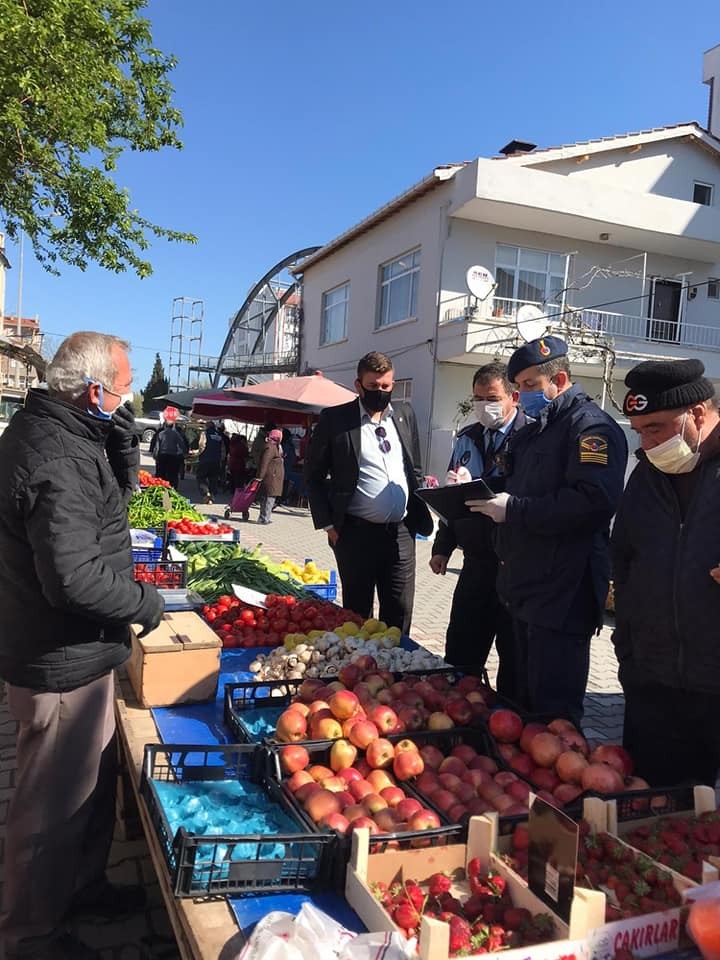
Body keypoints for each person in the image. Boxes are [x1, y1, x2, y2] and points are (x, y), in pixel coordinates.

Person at [0, 332, 165, 960]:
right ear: (93, 390)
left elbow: (108, 517)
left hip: (80, 651)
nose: (126, 399)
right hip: (59, 655)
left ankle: (84, 888)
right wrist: (145, 606)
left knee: (90, 785)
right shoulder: (54, 453)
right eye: (121, 389)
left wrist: (123, 451)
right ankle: (31, 936)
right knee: (50, 805)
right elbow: (71, 577)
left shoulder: (71, 436)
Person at [468, 336, 627, 724]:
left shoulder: (590, 429)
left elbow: (592, 503)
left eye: (529, 386)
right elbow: (516, 485)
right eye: (519, 387)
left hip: (563, 594)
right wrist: (477, 490)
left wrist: (515, 510)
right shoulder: (539, 428)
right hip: (525, 586)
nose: (522, 395)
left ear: (558, 378)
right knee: (517, 701)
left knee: (551, 710)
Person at [611, 359, 720, 787]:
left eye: (655, 427)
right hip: (651, 681)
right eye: (639, 431)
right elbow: (623, 557)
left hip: (714, 683)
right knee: (650, 807)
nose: (648, 442)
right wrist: (628, 651)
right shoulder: (647, 474)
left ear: (697, 413)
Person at [304, 350, 433, 635]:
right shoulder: (336, 420)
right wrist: (328, 524)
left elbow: (415, 468)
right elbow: (313, 476)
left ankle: (397, 671)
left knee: (399, 609)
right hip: (354, 533)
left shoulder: (404, 415)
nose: (380, 392)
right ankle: (360, 670)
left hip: (400, 531)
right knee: (358, 613)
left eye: (386, 386)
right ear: (358, 385)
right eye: (373, 386)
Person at [429, 362, 530, 695]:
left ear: (514, 396)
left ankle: (509, 724)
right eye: (477, 398)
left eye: (492, 397)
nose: (484, 405)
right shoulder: (467, 438)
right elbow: (453, 497)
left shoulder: (531, 438)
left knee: (515, 661)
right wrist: (443, 545)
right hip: (475, 563)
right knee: (461, 653)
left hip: (515, 565)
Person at [256, 428, 285, 523]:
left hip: (273, 477)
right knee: (268, 499)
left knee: (269, 498)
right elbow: (264, 463)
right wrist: (260, 477)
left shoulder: (276, 447)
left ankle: (264, 517)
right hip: (270, 477)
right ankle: (264, 518)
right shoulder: (270, 447)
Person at [150, 419, 189, 489]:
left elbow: (157, 447)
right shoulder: (176, 434)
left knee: (161, 474)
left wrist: (155, 456)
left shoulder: (161, 434)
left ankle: (161, 488)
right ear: (173, 425)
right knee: (173, 474)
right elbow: (181, 444)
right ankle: (172, 488)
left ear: (165, 425)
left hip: (162, 456)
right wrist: (185, 452)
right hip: (173, 456)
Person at [196, 420, 225, 503]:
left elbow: (202, 445)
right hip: (216, 461)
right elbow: (223, 450)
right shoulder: (219, 436)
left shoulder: (204, 434)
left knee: (201, 477)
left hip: (205, 459)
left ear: (207, 426)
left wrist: (197, 453)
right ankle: (212, 496)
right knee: (213, 479)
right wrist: (221, 459)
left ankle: (206, 493)